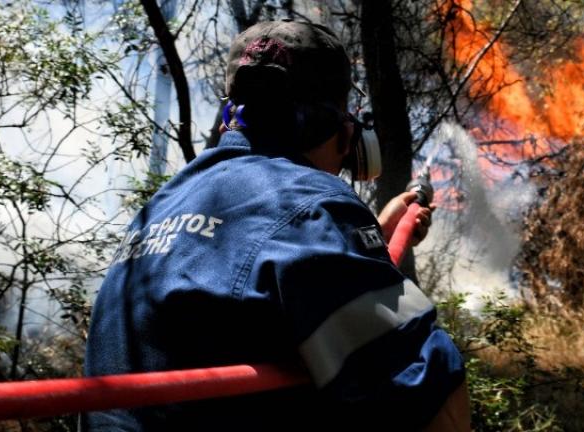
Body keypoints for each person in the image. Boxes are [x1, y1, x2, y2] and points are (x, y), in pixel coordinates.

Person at [82, 20, 469, 431]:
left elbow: (243, 270)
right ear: (340, 129)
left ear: (231, 116)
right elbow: (434, 405)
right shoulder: (312, 207)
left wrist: (369, 235)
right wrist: (341, 230)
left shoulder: (159, 207)